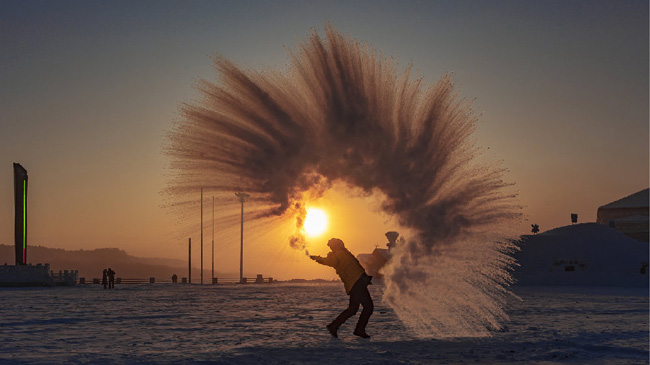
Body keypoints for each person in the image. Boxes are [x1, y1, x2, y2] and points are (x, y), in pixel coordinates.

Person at [310, 238, 374, 338]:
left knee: (353, 309)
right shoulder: (338, 254)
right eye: (339, 243)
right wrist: (318, 258)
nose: (342, 244)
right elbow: (329, 261)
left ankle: (334, 326)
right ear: (336, 245)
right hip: (355, 284)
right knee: (368, 307)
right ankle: (358, 329)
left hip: (356, 283)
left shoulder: (344, 253)